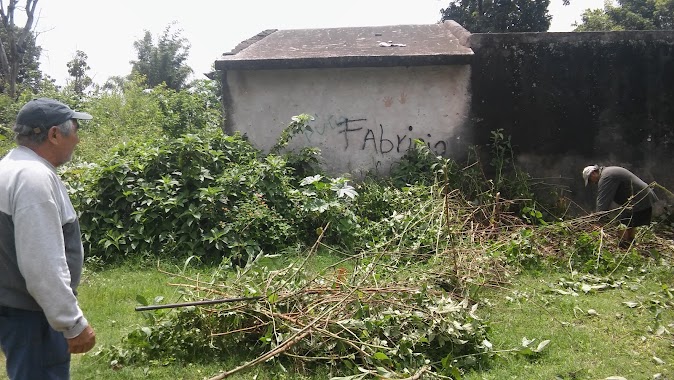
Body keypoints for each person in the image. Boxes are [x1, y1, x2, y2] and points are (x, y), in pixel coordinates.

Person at [0, 98, 96, 379]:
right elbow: (42, 264)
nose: (77, 140)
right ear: (54, 134)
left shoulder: (8, 168)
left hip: (15, 311)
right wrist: (71, 323)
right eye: (75, 130)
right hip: (34, 316)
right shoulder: (33, 179)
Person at [582, 164, 658, 246]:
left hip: (640, 197)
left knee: (622, 223)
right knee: (628, 220)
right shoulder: (608, 172)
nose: (593, 183)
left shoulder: (606, 176)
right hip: (643, 196)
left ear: (593, 173)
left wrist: (598, 221)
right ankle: (630, 242)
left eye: (590, 180)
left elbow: (603, 201)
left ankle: (624, 244)